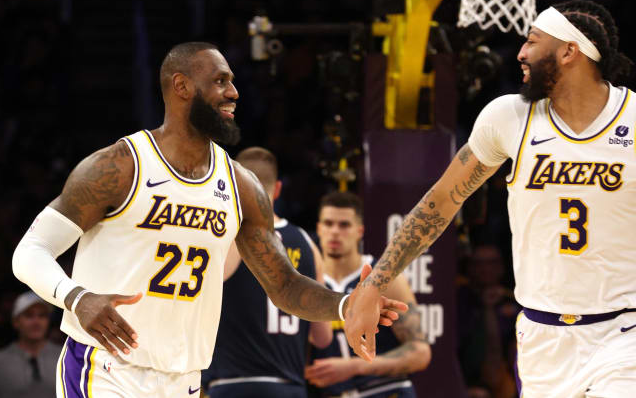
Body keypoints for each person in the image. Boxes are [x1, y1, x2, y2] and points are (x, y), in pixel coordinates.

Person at [11, 42, 404, 398]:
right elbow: (30, 251)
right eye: (220, 81)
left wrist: (345, 306)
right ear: (181, 86)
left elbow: (284, 285)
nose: (234, 93)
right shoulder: (119, 167)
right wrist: (76, 297)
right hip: (106, 370)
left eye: (232, 82)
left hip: (185, 378)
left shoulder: (241, 186)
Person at [346, 0, 636, 397]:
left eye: (532, 41)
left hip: (622, 332)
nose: (520, 53)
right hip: (541, 338)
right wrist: (373, 285)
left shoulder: (632, 120)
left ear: (570, 51)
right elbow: (440, 203)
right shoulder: (509, 118)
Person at [203, 146, 332, 397]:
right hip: (290, 387)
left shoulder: (227, 237)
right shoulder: (307, 243)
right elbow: (322, 337)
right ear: (279, 189)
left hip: (232, 385)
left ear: (232, 185)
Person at [306, 192, 431, 398]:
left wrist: (354, 367)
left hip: (385, 390)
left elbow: (420, 353)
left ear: (360, 231)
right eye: (328, 224)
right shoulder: (308, 283)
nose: (335, 232)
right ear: (319, 229)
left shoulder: (382, 277)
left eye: (344, 225)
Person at [457, 244, 519, 398]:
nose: (485, 269)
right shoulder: (457, 298)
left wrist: (489, 308)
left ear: (501, 267)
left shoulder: (517, 300)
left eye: (491, 263)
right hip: (461, 377)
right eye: (479, 263)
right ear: (469, 267)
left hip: (504, 382)